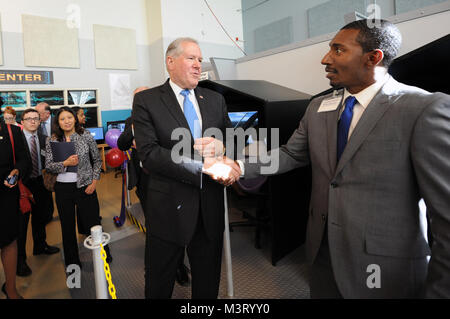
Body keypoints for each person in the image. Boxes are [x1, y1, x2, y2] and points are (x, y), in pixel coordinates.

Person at [206, 19, 450, 298]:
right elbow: (290, 154)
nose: (325, 59)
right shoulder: (318, 107)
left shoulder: (423, 109)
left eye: (338, 50)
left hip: (386, 266)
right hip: (322, 251)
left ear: (373, 57)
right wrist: (238, 166)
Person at [131, 37, 240, 299]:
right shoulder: (147, 100)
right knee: (159, 279)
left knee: (207, 280)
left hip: (209, 206)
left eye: (200, 60)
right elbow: (149, 153)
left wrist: (222, 149)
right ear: (170, 62)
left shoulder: (214, 99)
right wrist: (202, 165)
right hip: (168, 207)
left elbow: (234, 139)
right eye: (191, 58)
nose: (197, 65)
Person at [118, 86, 191, 287]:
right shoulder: (130, 121)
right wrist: (132, 136)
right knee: (154, 223)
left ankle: (178, 266)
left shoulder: (165, 117)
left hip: (165, 179)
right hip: (144, 180)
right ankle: (159, 265)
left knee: (175, 221)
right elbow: (122, 144)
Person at [45, 107, 111, 270]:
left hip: (85, 187)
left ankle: (104, 254)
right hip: (62, 189)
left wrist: (94, 182)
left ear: (74, 119)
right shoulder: (52, 140)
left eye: (69, 117)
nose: (66, 121)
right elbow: (49, 166)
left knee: (94, 223)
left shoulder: (86, 135)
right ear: (57, 122)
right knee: (67, 227)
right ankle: (72, 261)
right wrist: (65, 164)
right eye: (62, 119)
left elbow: (97, 160)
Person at [16, 108, 59, 277]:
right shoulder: (16, 141)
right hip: (23, 186)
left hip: (41, 183)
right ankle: (20, 260)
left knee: (41, 217)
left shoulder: (44, 139)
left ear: (40, 121)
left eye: (36, 118)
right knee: (22, 224)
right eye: (29, 119)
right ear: (22, 121)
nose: (33, 121)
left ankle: (40, 246)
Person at [0, 106, 30, 299]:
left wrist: (17, 171)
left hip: (6, 194)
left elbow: (24, 159)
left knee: (9, 241)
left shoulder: (12, 131)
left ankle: (11, 288)